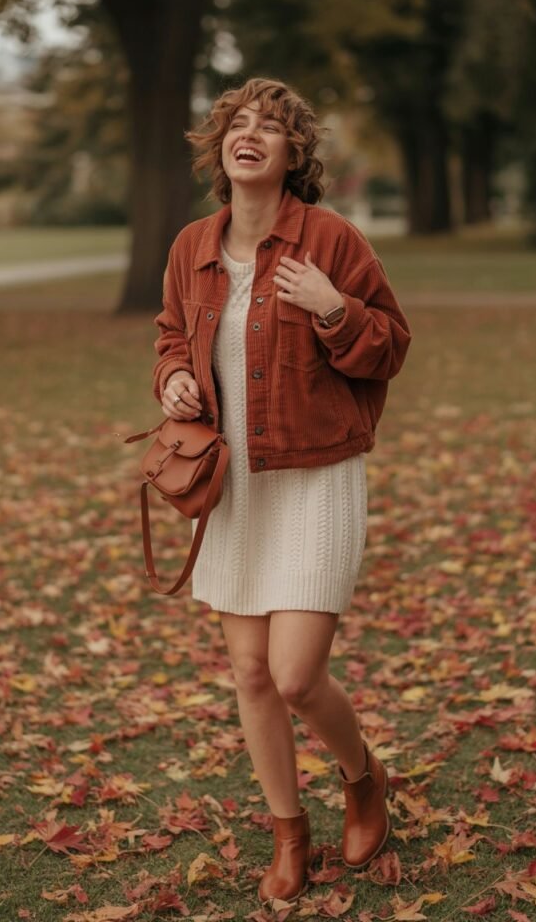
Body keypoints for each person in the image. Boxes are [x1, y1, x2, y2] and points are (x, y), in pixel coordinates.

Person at [152, 77, 411, 904]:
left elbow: (389, 348)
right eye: (237, 123)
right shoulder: (192, 244)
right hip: (235, 486)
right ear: (220, 149)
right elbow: (169, 339)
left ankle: (363, 777)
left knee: (297, 676)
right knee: (252, 676)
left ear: (294, 154)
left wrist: (335, 309)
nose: (249, 133)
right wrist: (173, 382)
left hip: (316, 478)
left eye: (270, 126)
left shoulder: (330, 241)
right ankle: (289, 835)